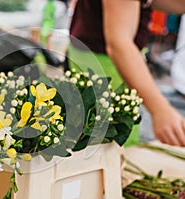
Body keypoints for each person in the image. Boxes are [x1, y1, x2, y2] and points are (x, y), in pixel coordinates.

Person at [67, 0, 185, 146]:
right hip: (106, 66)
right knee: (107, 151)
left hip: (107, 62)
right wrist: (160, 110)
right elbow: (119, 44)